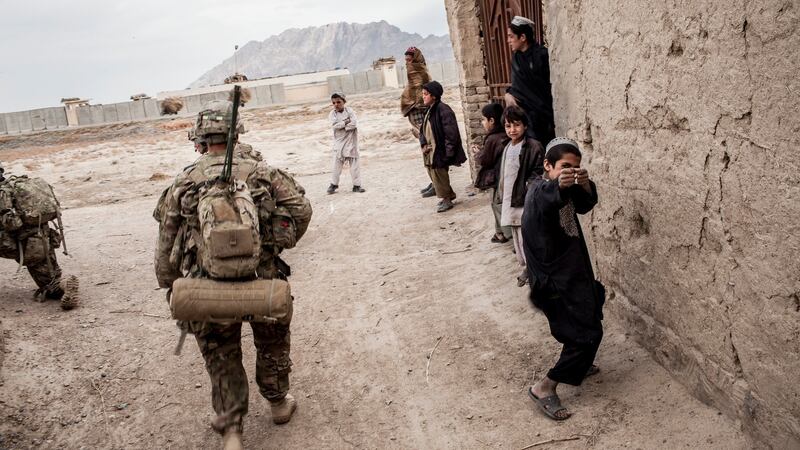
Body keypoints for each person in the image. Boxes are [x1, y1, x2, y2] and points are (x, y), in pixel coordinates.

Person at [154, 100, 312, 449]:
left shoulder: (185, 181)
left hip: (206, 285)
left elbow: (166, 239)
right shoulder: (264, 173)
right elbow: (302, 211)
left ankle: (232, 431)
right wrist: (273, 245)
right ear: (236, 134)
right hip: (263, 277)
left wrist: (170, 284)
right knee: (272, 343)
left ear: (200, 138)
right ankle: (278, 404)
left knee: (221, 355)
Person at [521, 138, 604, 421]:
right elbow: (549, 194)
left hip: (572, 275)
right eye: (564, 167)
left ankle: (579, 363)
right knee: (587, 334)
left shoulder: (562, 189)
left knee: (591, 310)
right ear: (547, 165)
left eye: (575, 168)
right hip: (555, 282)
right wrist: (560, 185)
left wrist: (584, 184)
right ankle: (544, 387)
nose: (570, 172)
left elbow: (584, 204)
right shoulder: (540, 190)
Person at [0, 163, 78, 310]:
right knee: (50, 282)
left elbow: (12, 225)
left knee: (49, 285)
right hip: (43, 237)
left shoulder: (3, 194)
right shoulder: (16, 187)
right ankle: (64, 284)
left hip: (23, 244)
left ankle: (60, 286)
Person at [497, 106, 544, 286]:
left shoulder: (533, 146)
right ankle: (527, 267)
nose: (512, 130)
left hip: (524, 199)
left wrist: (528, 190)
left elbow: (538, 173)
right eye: (508, 126)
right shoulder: (507, 146)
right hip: (511, 198)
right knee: (517, 235)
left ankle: (534, 270)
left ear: (525, 125)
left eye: (516, 125)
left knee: (528, 235)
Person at [505, 16, 555, 145]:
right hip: (525, 117)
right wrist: (508, 93)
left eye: (511, 36)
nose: (508, 41)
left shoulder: (542, 55)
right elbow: (518, 85)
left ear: (522, 37)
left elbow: (543, 86)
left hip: (543, 116)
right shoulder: (516, 58)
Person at [419, 81, 467, 213]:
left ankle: (447, 200)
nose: (423, 96)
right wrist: (423, 144)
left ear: (434, 96)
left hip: (440, 149)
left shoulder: (443, 110)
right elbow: (422, 130)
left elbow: (451, 134)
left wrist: (448, 152)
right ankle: (448, 195)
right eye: (423, 94)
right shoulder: (429, 110)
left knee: (440, 173)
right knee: (433, 171)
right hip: (430, 149)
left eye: (426, 94)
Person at [472, 103, 512, 244]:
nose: (482, 123)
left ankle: (510, 236)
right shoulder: (503, 135)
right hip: (505, 176)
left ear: (492, 120)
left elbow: (486, 160)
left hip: (498, 178)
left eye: (483, 120)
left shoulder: (493, 138)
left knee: (498, 205)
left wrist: (478, 154)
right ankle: (499, 232)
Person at [400, 46, 435, 197]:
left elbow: (425, 97)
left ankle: (437, 184)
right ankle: (434, 181)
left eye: (410, 60)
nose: (408, 64)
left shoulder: (422, 73)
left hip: (424, 117)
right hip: (419, 118)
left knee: (429, 148)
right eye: (406, 61)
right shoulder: (413, 75)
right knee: (425, 149)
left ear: (417, 59)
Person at [326, 93, 365, 194]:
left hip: (351, 142)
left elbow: (354, 123)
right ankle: (333, 185)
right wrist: (346, 122)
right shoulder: (332, 114)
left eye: (338, 102)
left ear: (344, 102)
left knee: (354, 165)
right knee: (336, 166)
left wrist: (343, 126)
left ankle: (356, 186)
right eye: (334, 103)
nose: (336, 104)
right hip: (339, 143)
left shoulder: (350, 111)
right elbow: (335, 126)